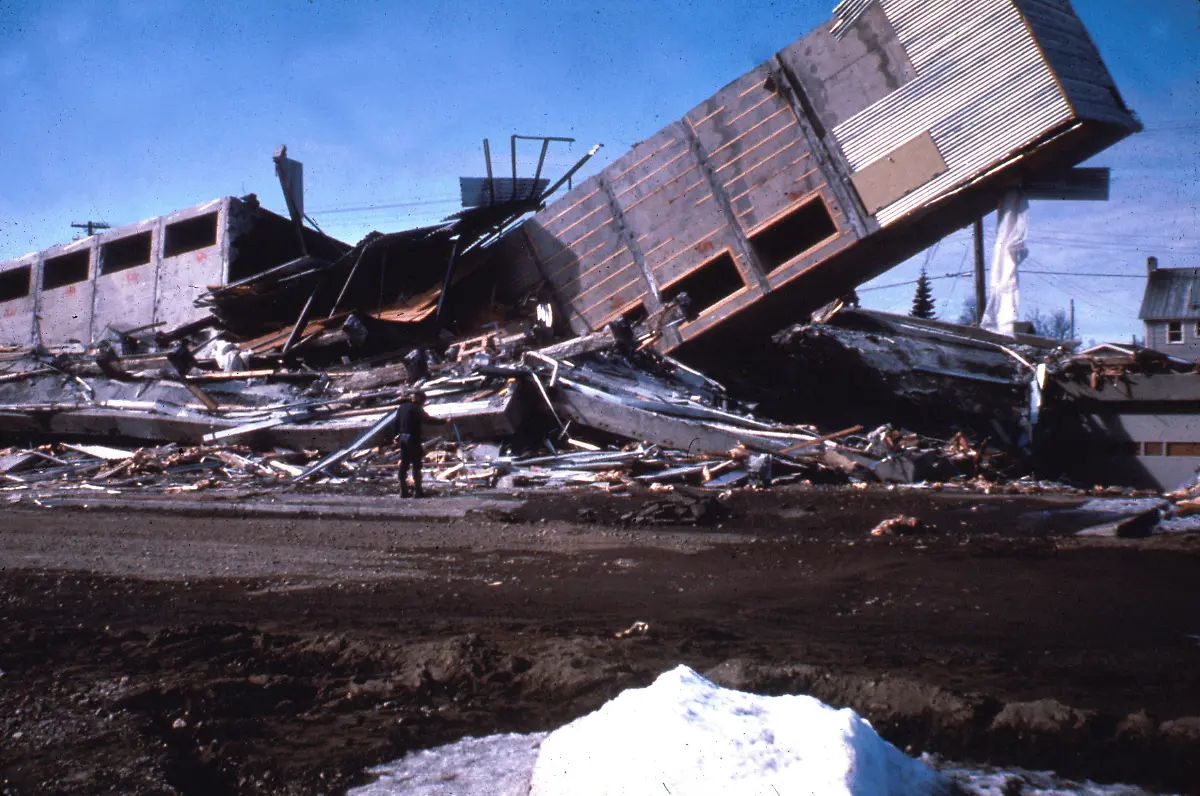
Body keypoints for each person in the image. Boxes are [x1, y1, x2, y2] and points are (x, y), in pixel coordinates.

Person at [393, 391, 445, 498]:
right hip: (413, 438)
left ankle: (403, 491)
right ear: (419, 399)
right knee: (416, 464)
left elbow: (396, 423)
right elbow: (427, 420)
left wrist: (395, 436)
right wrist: (443, 421)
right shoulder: (416, 408)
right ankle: (418, 491)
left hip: (403, 438)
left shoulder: (401, 407)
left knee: (404, 464)